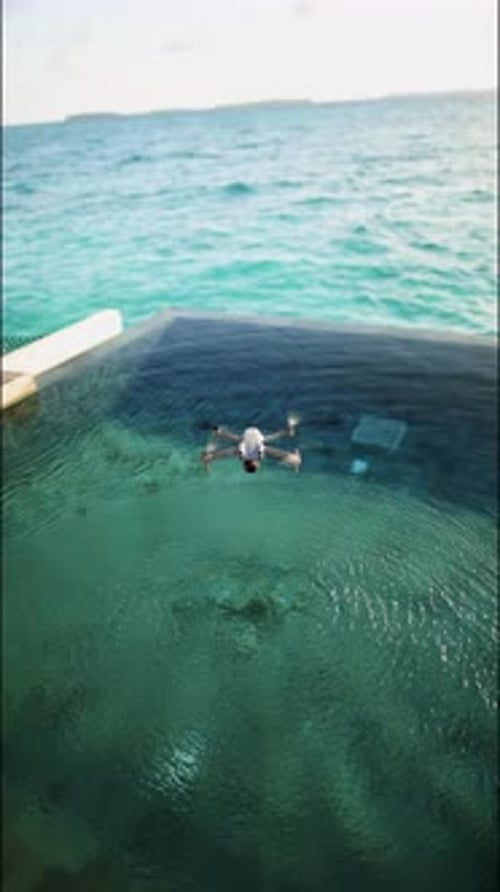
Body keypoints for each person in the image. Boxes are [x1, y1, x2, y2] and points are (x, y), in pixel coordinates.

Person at [202, 416, 301, 473]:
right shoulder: (244, 456)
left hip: (252, 434)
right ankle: (218, 433)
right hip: (249, 434)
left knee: (270, 441)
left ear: (254, 464)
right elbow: (235, 451)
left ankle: (293, 454)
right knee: (235, 442)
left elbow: (277, 453)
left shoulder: (256, 456)